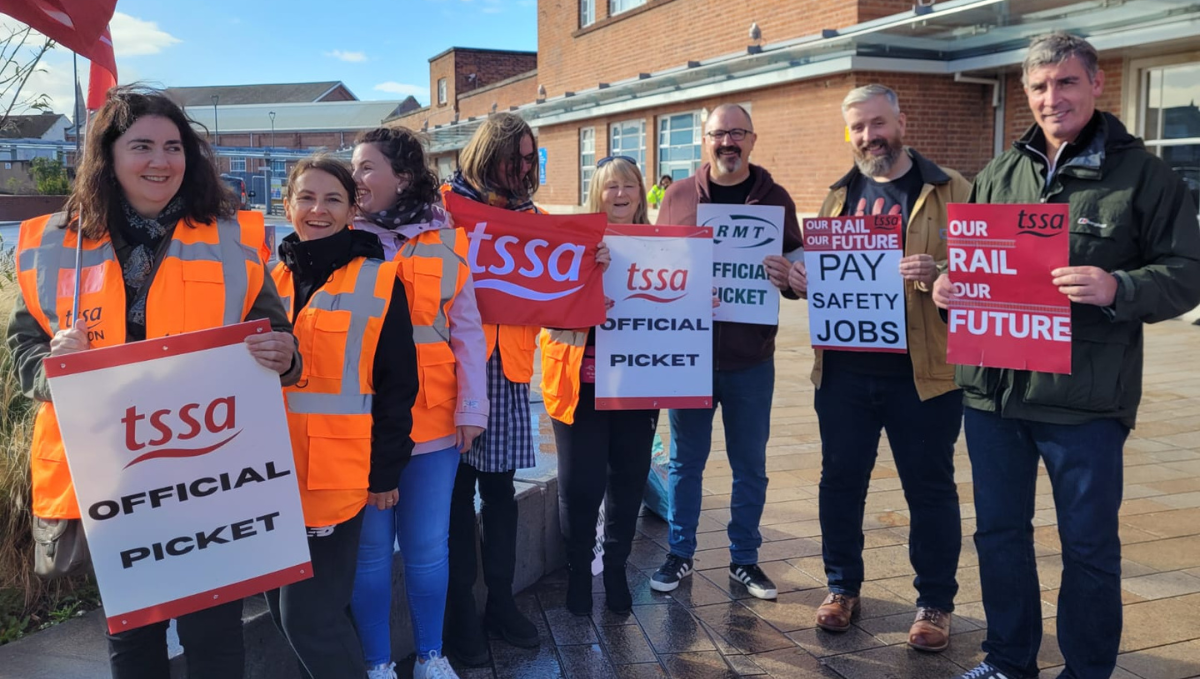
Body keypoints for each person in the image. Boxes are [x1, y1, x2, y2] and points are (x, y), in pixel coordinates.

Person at [929, 33, 1200, 679]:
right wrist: (947, 286)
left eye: (1067, 82)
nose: (1054, 98)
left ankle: (1087, 670)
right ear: (1027, 92)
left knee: (1087, 549)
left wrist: (1120, 286)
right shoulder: (999, 173)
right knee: (998, 537)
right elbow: (980, 270)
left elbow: (1188, 272)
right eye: (1041, 86)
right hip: (993, 396)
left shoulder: (1144, 176)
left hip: (1085, 401)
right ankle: (1008, 660)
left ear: (1096, 83)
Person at [8, 85, 300, 679]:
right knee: (134, 638)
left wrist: (283, 353)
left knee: (215, 635)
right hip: (114, 479)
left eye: (173, 146)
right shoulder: (50, 244)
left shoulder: (230, 239)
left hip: (210, 474)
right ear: (108, 158)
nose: (160, 161)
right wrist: (50, 367)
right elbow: (22, 349)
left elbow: (278, 337)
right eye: (141, 146)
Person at [786, 84, 969, 651]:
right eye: (858, 127)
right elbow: (821, 274)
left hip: (925, 375)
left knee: (930, 490)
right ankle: (842, 587)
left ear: (901, 121)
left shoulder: (951, 188)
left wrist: (941, 271)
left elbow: (988, 268)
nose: (869, 136)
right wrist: (797, 282)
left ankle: (935, 603)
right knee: (839, 484)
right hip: (843, 373)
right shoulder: (838, 195)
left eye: (878, 123)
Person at [268, 156, 419, 679]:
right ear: (286, 205)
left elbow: (400, 385)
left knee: (308, 617)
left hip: (335, 479)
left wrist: (385, 473)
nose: (317, 210)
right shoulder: (267, 280)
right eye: (306, 198)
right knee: (283, 613)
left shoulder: (379, 280)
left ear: (352, 209)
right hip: (265, 476)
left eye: (332, 199)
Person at [348, 127, 487, 679]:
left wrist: (472, 407)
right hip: (358, 422)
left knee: (429, 550)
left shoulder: (448, 240)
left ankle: (432, 655)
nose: (354, 178)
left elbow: (467, 329)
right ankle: (377, 665)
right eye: (353, 167)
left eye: (365, 168)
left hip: (432, 424)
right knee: (371, 555)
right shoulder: (337, 233)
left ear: (401, 176)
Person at [650, 103, 802, 600]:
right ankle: (679, 553)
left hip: (751, 360)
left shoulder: (777, 199)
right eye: (719, 133)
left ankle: (745, 560)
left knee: (749, 465)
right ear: (705, 141)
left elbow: (800, 274)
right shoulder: (675, 197)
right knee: (684, 463)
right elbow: (654, 265)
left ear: (753, 140)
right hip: (689, 358)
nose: (728, 142)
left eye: (738, 133)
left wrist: (791, 281)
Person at [440, 112, 544, 663]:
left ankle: (500, 603)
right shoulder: (441, 208)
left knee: (500, 492)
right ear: (487, 153)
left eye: (529, 159)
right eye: (514, 157)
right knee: (454, 495)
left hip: (507, 367)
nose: (522, 169)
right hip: (451, 366)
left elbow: (562, 278)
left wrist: (592, 265)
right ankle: (462, 616)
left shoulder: (533, 218)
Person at [541, 155, 649, 618]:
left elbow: (678, 305)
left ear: (642, 192)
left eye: (628, 185)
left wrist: (699, 298)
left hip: (639, 382)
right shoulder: (574, 246)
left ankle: (618, 569)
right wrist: (585, 279)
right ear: (596, 194)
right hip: (579, 385)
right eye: (610, 187)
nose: (620, 194)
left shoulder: (667, 246)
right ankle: (580, 571)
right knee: (580, 486)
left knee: (628, 481)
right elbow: (544, 313)